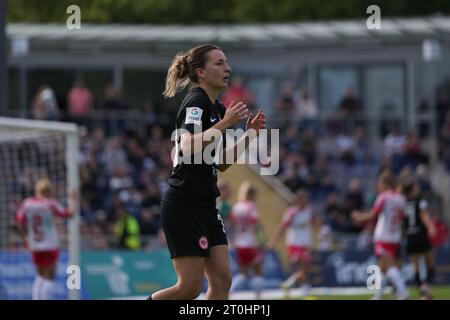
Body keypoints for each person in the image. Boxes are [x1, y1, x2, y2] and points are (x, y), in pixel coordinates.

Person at [148, 44, 266, 300]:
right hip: (184, 203)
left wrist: (250, 134)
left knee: (222, 281)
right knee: (189, 288)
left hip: (206, 204)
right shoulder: (197, 101)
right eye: (220, 63)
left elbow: (220, 162)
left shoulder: (217, 108)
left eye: (227, 62)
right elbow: (187, 145)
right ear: (201, 72)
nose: (228, 68)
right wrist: (225, 124)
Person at [352, 171, 410, 300]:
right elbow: (403, 217)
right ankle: (378, 295)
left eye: (380, 183)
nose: (378, 186)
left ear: (385, 183)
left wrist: (358, 216)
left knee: (389, 267)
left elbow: (373, 215)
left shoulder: (383, 197)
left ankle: (403, 290)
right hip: (395, 236)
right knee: (381, 267)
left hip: (383, 236)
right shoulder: (401, 198)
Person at [16, 178, 76, 300]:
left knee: (40, 276)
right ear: (49, 191)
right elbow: (69, 214)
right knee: (49, 277)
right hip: (50, 245)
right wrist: (74, 199)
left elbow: (19, 220)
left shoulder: (27, 203)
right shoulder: (50, 203)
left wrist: (25, 239)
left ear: (37, 190)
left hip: (35, 245)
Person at [267, 189, 314, 296]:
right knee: (304, 263)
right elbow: (283, 227)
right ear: (299, 200)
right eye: (303, 199)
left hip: (305, 244)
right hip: (295, 243)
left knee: (305, 267)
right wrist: (274, 241)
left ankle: (291, 283)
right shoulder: (292, 212)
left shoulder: (309, 211)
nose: (305, 201)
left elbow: (312, 226)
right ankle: (304, 287)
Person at [399, 178, 436, 299]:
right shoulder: (420, 201)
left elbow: (402, 221)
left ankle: (422, 293)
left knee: (416, 267)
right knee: (430, 263)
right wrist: (431, 226)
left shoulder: (403, 202)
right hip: (421, 235)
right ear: (413, 189)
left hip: (410, 237)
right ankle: (426, 286)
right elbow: (423, 215)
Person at [229, 181, 266, 299]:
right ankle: (258, 296)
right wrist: (261, 240)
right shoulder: (251, 206)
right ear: (252, 194)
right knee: (258, 270)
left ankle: (230, 291)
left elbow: (233, 225)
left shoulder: (236, 206)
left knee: (243, 273)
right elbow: (256, 225)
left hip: (239, 242)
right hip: (250, 242)